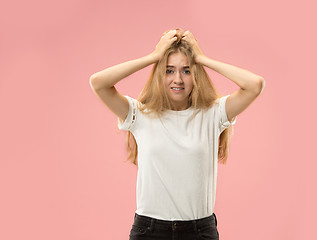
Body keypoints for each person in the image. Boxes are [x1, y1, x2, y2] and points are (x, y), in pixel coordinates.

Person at [89, 28, 265, 240]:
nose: (178, 79)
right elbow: (98, 83)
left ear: (196, 75)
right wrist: (154, 56)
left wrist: (201, 58)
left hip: (199, 231)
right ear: (159, 74)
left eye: (187, 71)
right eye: (169, 70)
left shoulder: (212, 114)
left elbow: (254, 85)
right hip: (150, 231)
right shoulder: (140, 114)